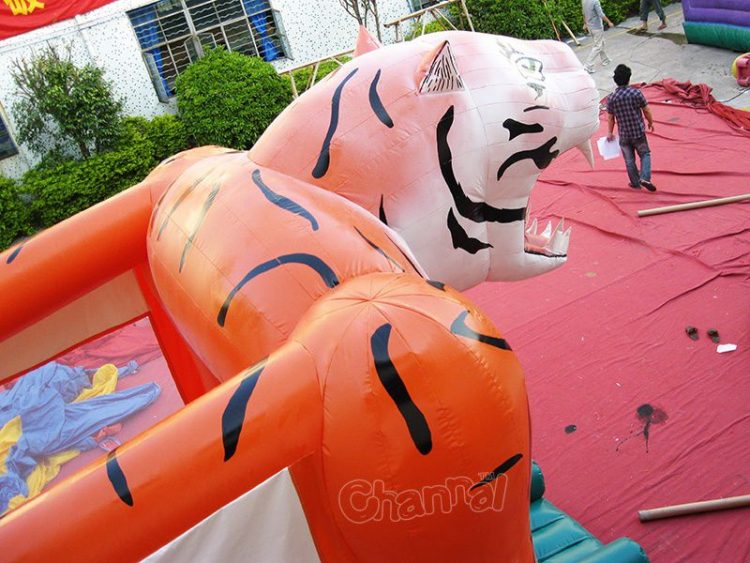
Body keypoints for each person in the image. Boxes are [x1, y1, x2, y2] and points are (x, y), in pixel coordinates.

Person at [606, 64, 657, 191]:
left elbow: (611, 117)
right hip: (638, 132)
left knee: (629, 160)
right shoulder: (636, 93)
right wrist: (650, 122)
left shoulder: (611, 98)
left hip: (624, 134)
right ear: (629, 78)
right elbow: (646, 110)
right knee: (645, 154)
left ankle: (635, 183)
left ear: (615, 80)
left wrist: (610, 132)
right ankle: (645, 177)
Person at [582, 0, 614, 74]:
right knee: (598, 46)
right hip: (597, 27)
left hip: (590, 27)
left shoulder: (584, 1)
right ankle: (588, 66)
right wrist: (609, 22)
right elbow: (601, 14)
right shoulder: (595, 1)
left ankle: (605, 59)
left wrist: (585, 24)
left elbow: (584, 14)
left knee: (601, 42)